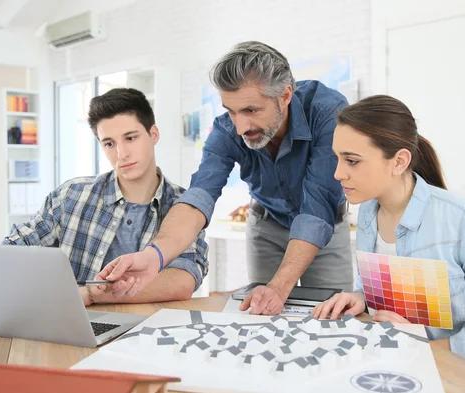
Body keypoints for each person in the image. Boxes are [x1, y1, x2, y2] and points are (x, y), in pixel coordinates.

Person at [97, 41, 353, 315]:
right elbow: (198, 197)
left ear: (285, 95)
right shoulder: (225, 130)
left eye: (251, 110)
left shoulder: (328, 112)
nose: (241, 127)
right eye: (231, 111)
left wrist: (279, 287)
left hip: (325, 225)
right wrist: (153, 256)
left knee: (331, 316)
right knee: (261, 316)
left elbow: (317, 205)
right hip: (267, 225)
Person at [311, 94, 465, 385]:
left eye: (352, 161)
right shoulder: (368, 212)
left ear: (399, 161)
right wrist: (360, 299)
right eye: (338, 158)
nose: (338, 173)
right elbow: (391, 298)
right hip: (409, 371)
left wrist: (425, 350)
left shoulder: (463, 220)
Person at [3, 88, 208, 306]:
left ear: (153, 134)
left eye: (130, 138)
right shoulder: (71, 196)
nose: (121, 154)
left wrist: (91, 295)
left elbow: (183, 278)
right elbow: (15, 249)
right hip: (73, 327)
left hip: (149, 332)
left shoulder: (184, 206)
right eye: (109, 143)